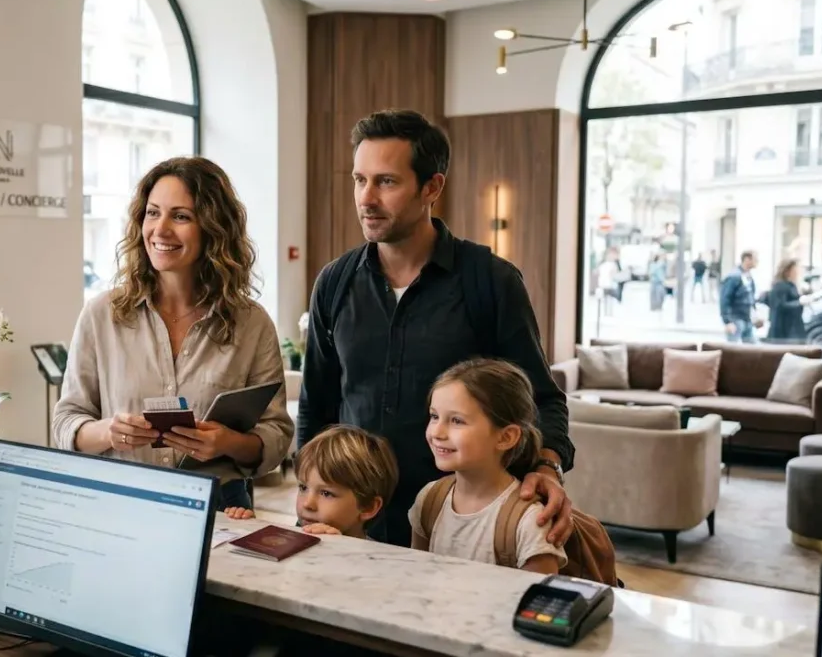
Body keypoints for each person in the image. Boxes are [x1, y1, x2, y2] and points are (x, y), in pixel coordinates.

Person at [297, 109, 574, 548]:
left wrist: (545, 467)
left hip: (461, 527)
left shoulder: (490, 281)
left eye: (386, 182)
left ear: (432, 187)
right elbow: (316, 405)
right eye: (358, 180)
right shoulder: (334, 282)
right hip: (351, 529)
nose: (366, 198)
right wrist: (310, 496)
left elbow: (542, 399)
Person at [52, 156, 293, 510]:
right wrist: (110, 432)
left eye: (180, 216)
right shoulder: (101, 315)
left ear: (213, 228)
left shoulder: (251, 323)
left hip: (220, 506)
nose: (160, 230)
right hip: (119, 502)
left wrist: (226, 442)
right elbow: (65, 423)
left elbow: (276, 436)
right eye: (152, 213)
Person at [409, 359, 567, 574]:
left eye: (457, 420)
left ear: (506, 437)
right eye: (435, 416)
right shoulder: (428, 500)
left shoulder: (529, 521)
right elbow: (418, 578)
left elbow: (541, 604)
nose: (437, 432)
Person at [223, 424, 399, 539]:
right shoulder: (292, 537)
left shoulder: (374, 563)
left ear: (368, 506)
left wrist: (336, 552)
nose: (308, 504)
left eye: (326, 493)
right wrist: (248, 533)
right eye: (303, 487)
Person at [720, 250, 761, 344]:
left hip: (747, 318)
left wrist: (755, 315)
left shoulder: (748, 276)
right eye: (755, 259)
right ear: (747, 259)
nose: (757, 261)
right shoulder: (734, 276)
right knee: (732, 348)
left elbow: (750, 298)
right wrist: (727, 321)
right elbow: (725, 299)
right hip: (735, 318)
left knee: (751, 349)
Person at [766, 258, 810, 343]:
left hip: (793, 326)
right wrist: (799, 302)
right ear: (787, 271)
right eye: (795, 270)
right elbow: (780, 306)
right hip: (784, 329)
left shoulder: (791, 285)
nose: (797, 272)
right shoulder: (780, 286)